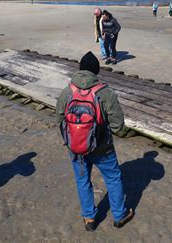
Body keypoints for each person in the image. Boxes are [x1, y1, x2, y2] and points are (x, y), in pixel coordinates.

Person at [55, 51, 134, 232]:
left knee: (83, 180)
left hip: (76, 146)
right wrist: (117, 133)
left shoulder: (68, 91)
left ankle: (89, 218)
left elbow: (59, 119)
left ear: (80, 69)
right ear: (96, 71)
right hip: (102, 146)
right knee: (113, 178)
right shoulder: (105, 92)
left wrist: (71, 137)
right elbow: (117, 125)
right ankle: (119, 215)